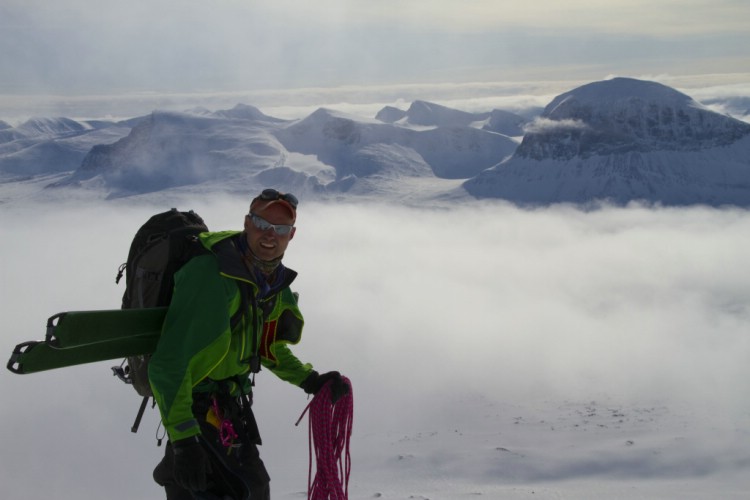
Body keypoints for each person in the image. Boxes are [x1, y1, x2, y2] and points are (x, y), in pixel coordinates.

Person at [150, 189, 349, 500]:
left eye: (281, 229)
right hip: (196, 412)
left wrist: (309, 379)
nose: (271, 235)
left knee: (255, 490)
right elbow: (167, 364)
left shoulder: (271, 279)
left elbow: (267, 345)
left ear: (291, 235)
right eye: (262, 223)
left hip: (231, 411)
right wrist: (185, 441)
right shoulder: (212, 276)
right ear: (247, 223)